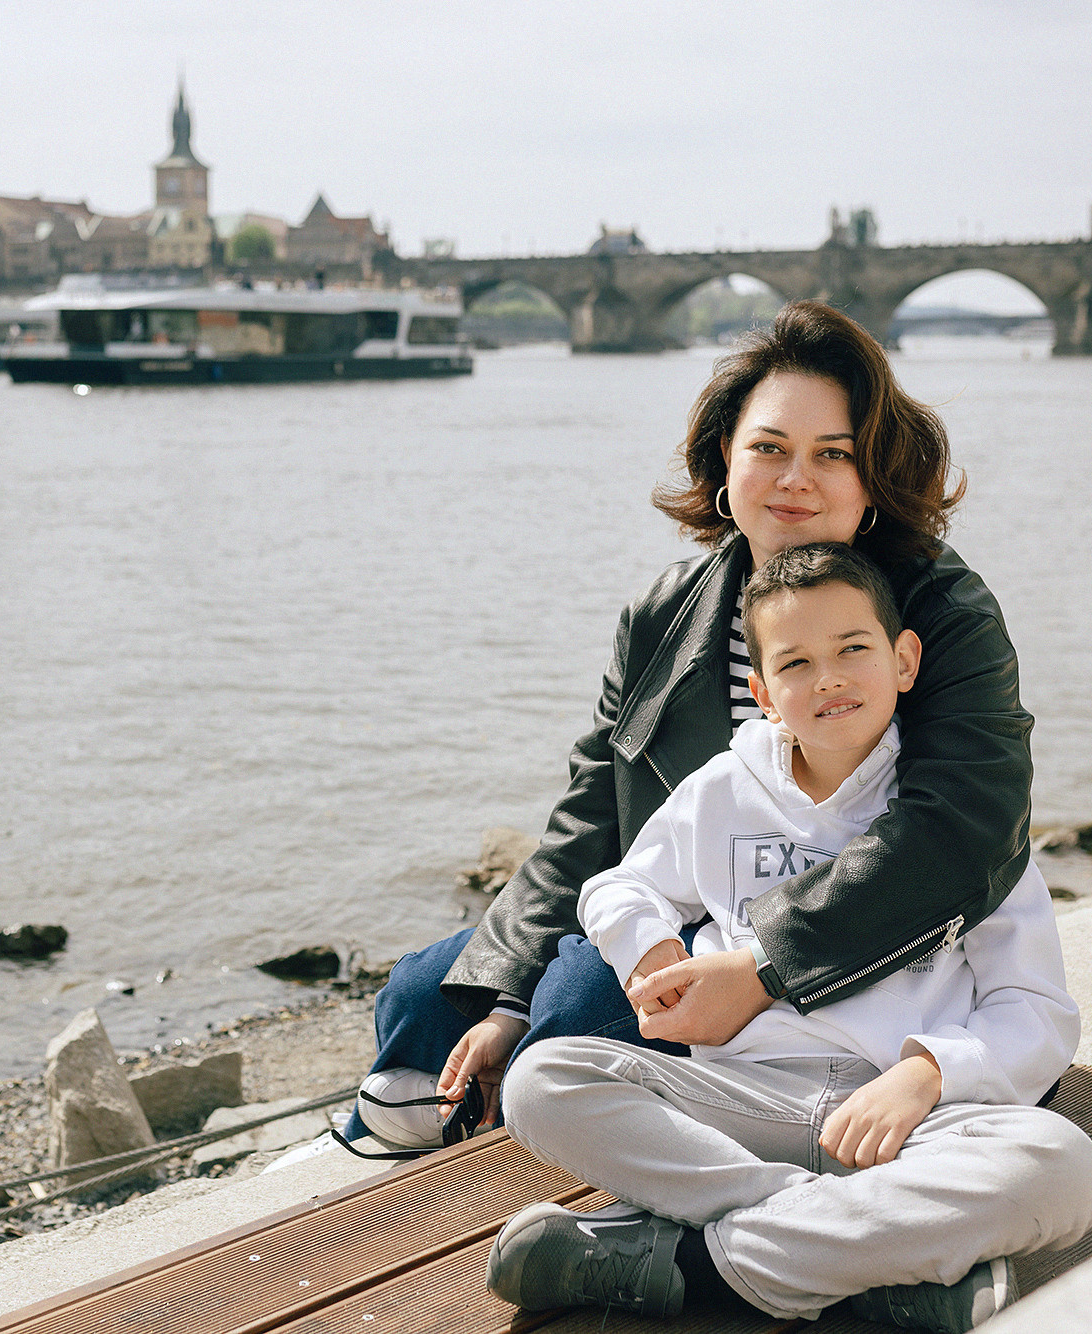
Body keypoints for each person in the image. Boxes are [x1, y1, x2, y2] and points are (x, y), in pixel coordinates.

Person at [346, 300, 1033, 1149]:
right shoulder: (663, 613)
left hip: (828, 933)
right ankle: (434, 1134)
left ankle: (514, 1158)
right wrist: (506, 985)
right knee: (425, 997)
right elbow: (593, 814)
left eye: (833, 455)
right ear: (725, 464)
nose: (796, 479)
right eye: (769, 450)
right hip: (658, 907)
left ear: (872, 482)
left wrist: (763, 969)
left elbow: (965, 823)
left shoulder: (942, 610)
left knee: (574, 1020)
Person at [486, 543, 1092, 1332]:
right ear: (763, 691)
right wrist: (652, 949)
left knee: (1064, 1168)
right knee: (543, 1080)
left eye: (853, 649)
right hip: (742, 1103)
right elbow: (619, 884)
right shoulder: (723, 792)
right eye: (798, 663)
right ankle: (864, 1253)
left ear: (905, 659)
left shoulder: (961, 814)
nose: (830, 678)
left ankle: (689, 1265)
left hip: (900, 1118)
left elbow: (1036, 1010)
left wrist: (922, 1077)